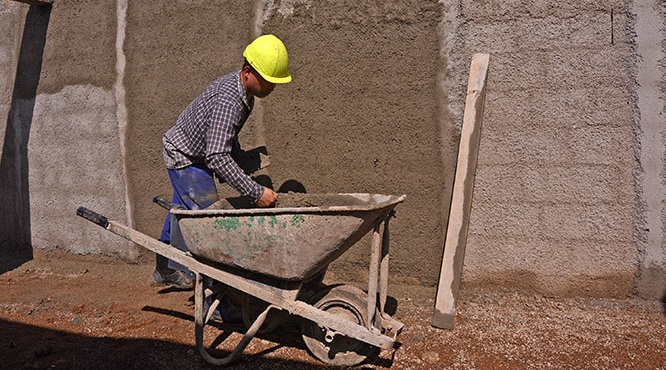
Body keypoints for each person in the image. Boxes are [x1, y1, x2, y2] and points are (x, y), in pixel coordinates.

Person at [152, 34, 292, 289]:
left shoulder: (243, 93)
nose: (273, 87)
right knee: (209, 224)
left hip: (197, 152)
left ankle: (165, 268)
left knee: (182, 211)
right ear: (248, 72)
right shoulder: (231, 99)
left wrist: (239, 160)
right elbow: (216, 156)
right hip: (186, 156)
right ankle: (217, 299)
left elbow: (223, 136)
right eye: (269, 80)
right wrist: (255, 192)